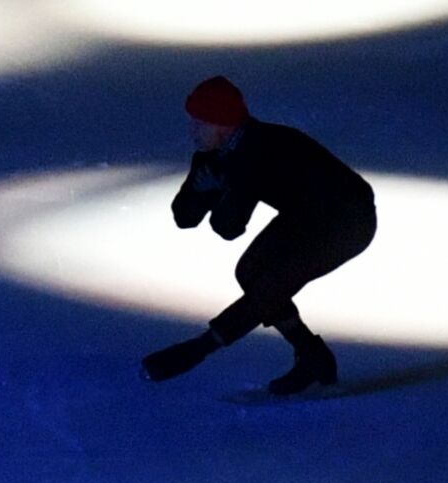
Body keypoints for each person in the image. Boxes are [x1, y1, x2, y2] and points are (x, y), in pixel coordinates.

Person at [141, 76, 377, 394]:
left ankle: (197, 349)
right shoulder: (214, 155)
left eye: (200, 124)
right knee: (250, 272)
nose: (192, 131)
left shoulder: (258, 151)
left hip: (347, 220)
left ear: (223, 126)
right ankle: (312, 355)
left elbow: (228, 227)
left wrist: (223, 187)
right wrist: (208, 189)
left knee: (270, 283)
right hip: (304, 215)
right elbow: (185, 217)